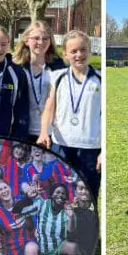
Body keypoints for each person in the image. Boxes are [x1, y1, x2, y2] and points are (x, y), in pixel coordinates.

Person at [38, 30, 101, 200]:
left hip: (91, 149)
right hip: (62, 145)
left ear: (90, 50)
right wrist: (44, 131)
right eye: (73, 51)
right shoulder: (57, 77)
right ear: (65, 54)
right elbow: (50, 107)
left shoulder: (100, 79)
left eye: (83, 50)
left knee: (88, 196)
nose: (79, 55)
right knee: (61, 194)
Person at [16, 21, 65, 146]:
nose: (41, 42)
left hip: (51, 133)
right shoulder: (17, 66)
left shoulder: (59, 66)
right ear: (26, 40)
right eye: (36, 38)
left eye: (45, 38)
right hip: (23, 130)